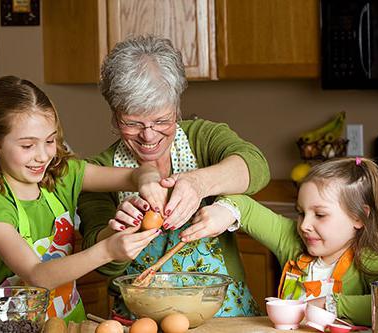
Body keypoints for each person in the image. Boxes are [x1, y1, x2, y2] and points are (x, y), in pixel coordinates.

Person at [78, 35, 270, 318]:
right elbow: (102, 266)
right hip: (141, 319)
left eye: (161, 120)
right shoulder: (100, 172)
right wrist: (116, 233)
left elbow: (257, 166)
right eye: (132, 123)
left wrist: (198, 183)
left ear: (177, 108)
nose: (149, 135)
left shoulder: (203, 138)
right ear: (114, 116)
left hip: (223, 316)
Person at [0, 76, 165, 323]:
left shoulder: (62, 175)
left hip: (69, 322)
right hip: (17, 328)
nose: (42, 156)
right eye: (27, 146)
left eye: (49, 141)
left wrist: (148, 181)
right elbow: (37, 276)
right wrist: (108, 249)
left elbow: (136, 174)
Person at [192, 157, 378, 325]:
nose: (304, 225)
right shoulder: (293, 242)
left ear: (359, 218)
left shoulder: (369, 260)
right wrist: (225, 211)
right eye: (301, 213)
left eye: (320, 214)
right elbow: (246, 208)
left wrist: (331, 304)